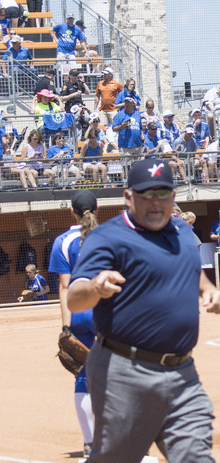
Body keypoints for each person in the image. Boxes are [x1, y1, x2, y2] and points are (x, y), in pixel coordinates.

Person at [67, 159, 220, 463]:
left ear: (173, 196)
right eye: (146, 194)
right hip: (123, 371)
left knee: (195, 457)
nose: (156, 202)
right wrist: (96, 287)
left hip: (181, 373)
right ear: (128, 197)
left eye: (163, 194)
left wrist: (209, 291)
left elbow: (192, 270)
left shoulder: (181, 231)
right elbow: (74, 298)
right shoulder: (107, 237)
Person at [48, 190, 98, 458]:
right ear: (97, 209)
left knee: (83, 377)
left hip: (78, 313)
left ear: (72, 211)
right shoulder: (109, 236)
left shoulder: (62, 241)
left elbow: (65, 286)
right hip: (105, 312)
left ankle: (90, 443)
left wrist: (66, 326)